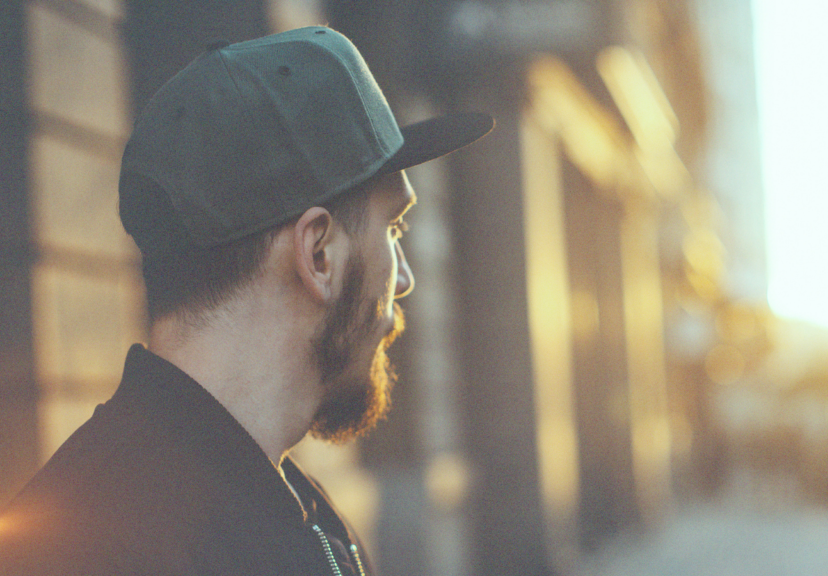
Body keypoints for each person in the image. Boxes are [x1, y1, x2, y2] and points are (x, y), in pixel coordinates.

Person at [0, 26, 492, 576]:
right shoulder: (88, 547)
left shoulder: (294, 508)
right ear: (319, 254)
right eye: (394, 228)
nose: (403, 279)